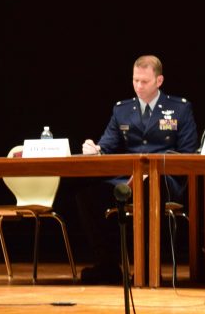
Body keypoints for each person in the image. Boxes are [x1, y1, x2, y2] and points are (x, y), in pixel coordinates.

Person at [77, 55, 198, 284]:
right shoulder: (122, 109)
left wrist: (154, 166)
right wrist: (95, 149)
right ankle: (108, 265)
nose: (139, 86)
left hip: (164, 179)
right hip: (127, 179)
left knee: (149, 186)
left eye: (144, 81)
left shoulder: (179, 108)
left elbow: (188, 152)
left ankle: (146, 265)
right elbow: (108, 146)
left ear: (159, 81)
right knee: (87, 197)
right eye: (135, 81)